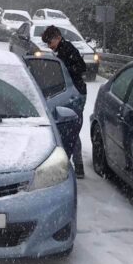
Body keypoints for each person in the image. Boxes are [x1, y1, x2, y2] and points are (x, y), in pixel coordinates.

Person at [42, 24, 87, 178]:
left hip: (76, 93)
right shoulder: (62, 50)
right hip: (71, 92)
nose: (49, 46)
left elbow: (82, 67)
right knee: (70, 128)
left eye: (50, 42)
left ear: (58, 38)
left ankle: (77, 165)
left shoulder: (67, 50)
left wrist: (65, 69)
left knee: (71, 129)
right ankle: (73, 164)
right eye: (47, 44)